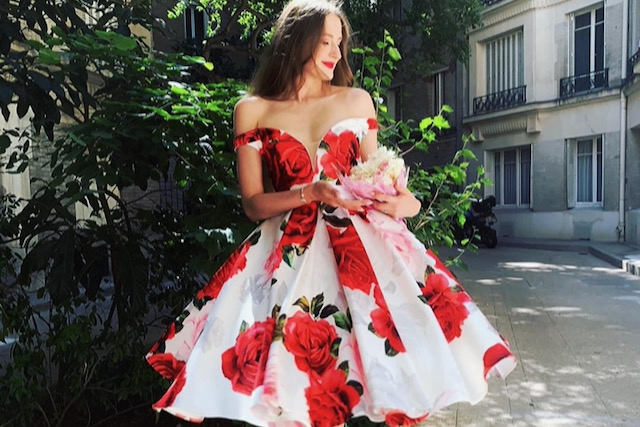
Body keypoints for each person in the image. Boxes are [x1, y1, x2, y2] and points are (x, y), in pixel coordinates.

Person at [146, 0, 516, 426]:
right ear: (295, 41)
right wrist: (311, 191)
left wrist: (403, 204)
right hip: (286, 257)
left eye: (339, 43)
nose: (336, 53)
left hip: (360, 253)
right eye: (325, 41)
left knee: (375, 372)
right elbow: (253, 204)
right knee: (288, 382)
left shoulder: (358, 102)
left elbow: (388, 185)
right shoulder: (252, 110)